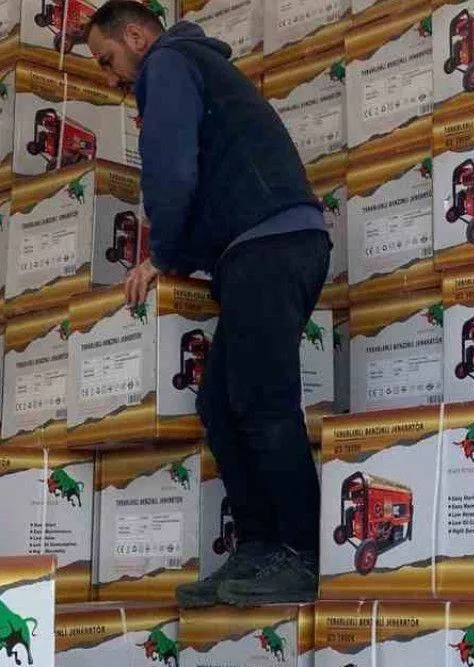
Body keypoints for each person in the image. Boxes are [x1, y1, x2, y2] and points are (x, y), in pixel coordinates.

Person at [85, 1, 328, 607]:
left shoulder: (167, 65)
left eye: (108, 60)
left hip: (271, 244)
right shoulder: (193, 68)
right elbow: (205, 181)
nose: (110, 78)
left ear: (136, 36)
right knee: (219, 403)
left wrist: (163, 255)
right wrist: (179, 256)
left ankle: (301, 554)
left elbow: (170, 171)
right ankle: (258, 549)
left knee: (261, 400)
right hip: (262, 246)